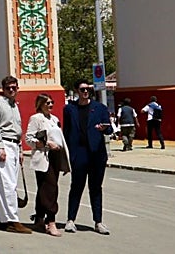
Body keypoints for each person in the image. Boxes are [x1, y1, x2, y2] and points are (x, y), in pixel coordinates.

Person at [61, 80, 113, 236]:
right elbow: (66, 132)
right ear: (77, 90)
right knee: (76, 187)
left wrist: (104, 128)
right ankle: (70, 220)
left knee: (96, 188)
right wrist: (67, 155)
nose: (86, 92)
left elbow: (109, 129)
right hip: (79, 153)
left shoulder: (100, 108)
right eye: (83, 89)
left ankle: (98, 222)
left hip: (96, 154)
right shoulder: (70, 109)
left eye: (88, 89)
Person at [0, 76, 29, 234]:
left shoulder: (14, 105)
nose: (11, 90)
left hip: (14, 144)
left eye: (14, 87)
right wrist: (1, 147)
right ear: (3, 89)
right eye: (8, 88)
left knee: (9, 183)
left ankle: (1, 219)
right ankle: (12, 220)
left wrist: (21, 149)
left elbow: (18, 128)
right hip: (3, 144)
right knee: (7, 184)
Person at [24, 94, 69, 236]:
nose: (50, 105)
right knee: (50, 188)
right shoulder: (36, 119)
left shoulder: (54, 119)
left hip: (55, 157)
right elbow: (28, 139)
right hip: (43, 157)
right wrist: (46, 144)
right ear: (40, 104)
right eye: (47, 103)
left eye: (52, 102)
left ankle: (39, 218)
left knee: (45, 188)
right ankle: (51, 221)